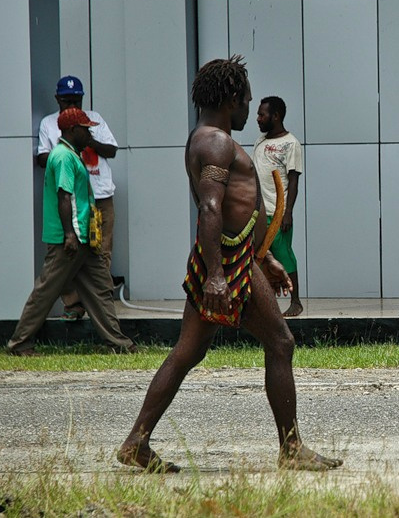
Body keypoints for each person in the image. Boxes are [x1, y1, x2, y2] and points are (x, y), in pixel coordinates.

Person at [117, 56, 342, 473]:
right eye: (247, 101)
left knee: (188, 351)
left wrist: (267, 257)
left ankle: (136, 441)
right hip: (224, 262)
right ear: (232, 97)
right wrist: (218, 275)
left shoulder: (203, 138)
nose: (248, 110)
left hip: (230, 257)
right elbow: (210, 207)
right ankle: (291, 449)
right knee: (281, 343)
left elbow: (238, 210)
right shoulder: (217, 142)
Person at [7, 108, 136, 356]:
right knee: (46, 291)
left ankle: (119, 343)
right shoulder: (64, 157)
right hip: (70, 239)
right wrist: (70, 235)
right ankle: (19, 343)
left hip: (83, 238)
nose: (89, 132)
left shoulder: (70, 154)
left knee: (100, 289)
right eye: (85, 128)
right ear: (72, 130)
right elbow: (65, 196)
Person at [37, 75, 119, 322]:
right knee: (67, 253)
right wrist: (67, 150)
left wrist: (87, 137)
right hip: (70, 199)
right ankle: (73, 305)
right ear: (57, 99)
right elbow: (42, 158)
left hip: (100, 195)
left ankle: (99, 306)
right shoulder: (49, 124)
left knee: (101, 252)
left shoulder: (93, 120)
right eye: (67, 100)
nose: (72, 104)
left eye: (76, 100)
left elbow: (112, 150)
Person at [253, 96, 304, 317]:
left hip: (277, 213)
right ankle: (265, 304)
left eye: (262, 114)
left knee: (283, 255)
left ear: (276, 116)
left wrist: (288, 213)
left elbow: (293, 181)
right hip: (258, 212)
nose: (258, 118)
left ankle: (296, 302)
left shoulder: (291, 143)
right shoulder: (259, 142)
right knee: (261, 257)